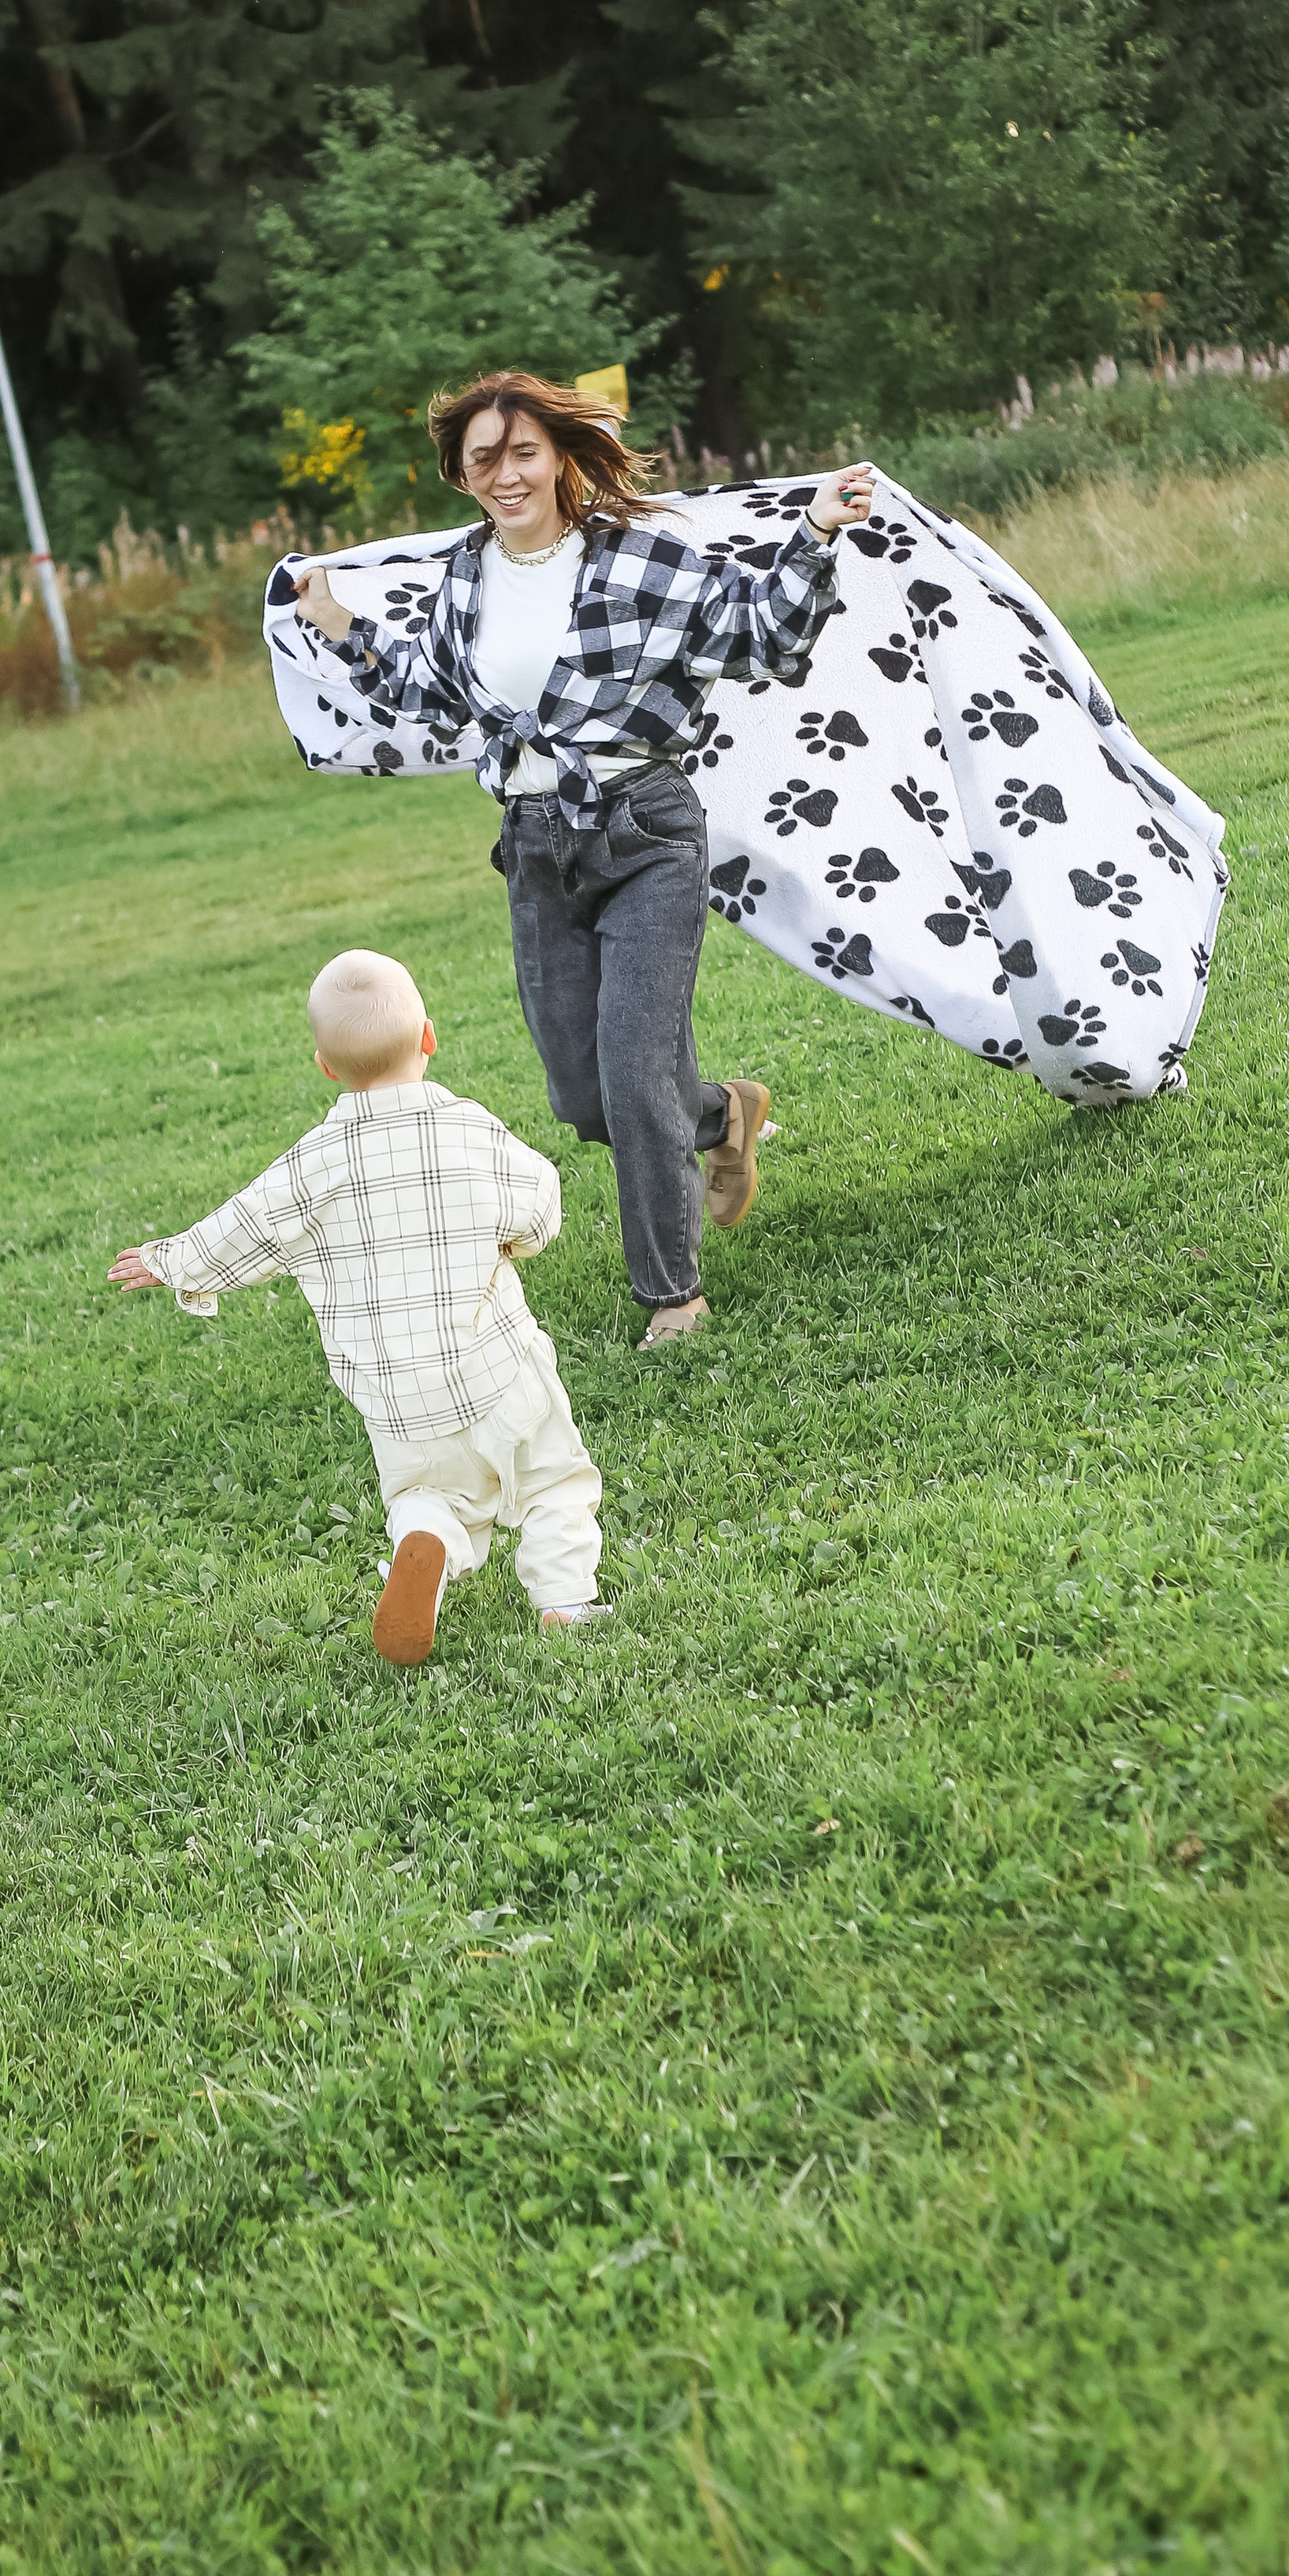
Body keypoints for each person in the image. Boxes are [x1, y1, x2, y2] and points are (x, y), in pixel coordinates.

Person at [292, 372, 873, 1346]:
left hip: (644, 831)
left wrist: (813, 533)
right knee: (584, 1097)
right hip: (533, 846)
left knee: (635, 1079)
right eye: (484, 458)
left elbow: (763, 637)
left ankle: (672, 1297)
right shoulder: (465, 577)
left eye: (524, 452)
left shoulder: (642, 558)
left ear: (560, 455)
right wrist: (338, 625)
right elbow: (429, 694)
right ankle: (722, 1116)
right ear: (460, 475)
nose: (506, 474)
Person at [106, 948, 607, 1667]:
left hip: (398, 1402)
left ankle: (428, 1541)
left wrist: (171, 1259)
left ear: (324, 1066)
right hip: (499, 1372)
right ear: (429, 1037)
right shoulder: (468, 1128)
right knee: (552, 1479)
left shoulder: (311, 1164)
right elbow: (538, 1202)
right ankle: (563, 1600)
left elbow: (246, 1225)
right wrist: (520, 1241)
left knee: (425, 1493)